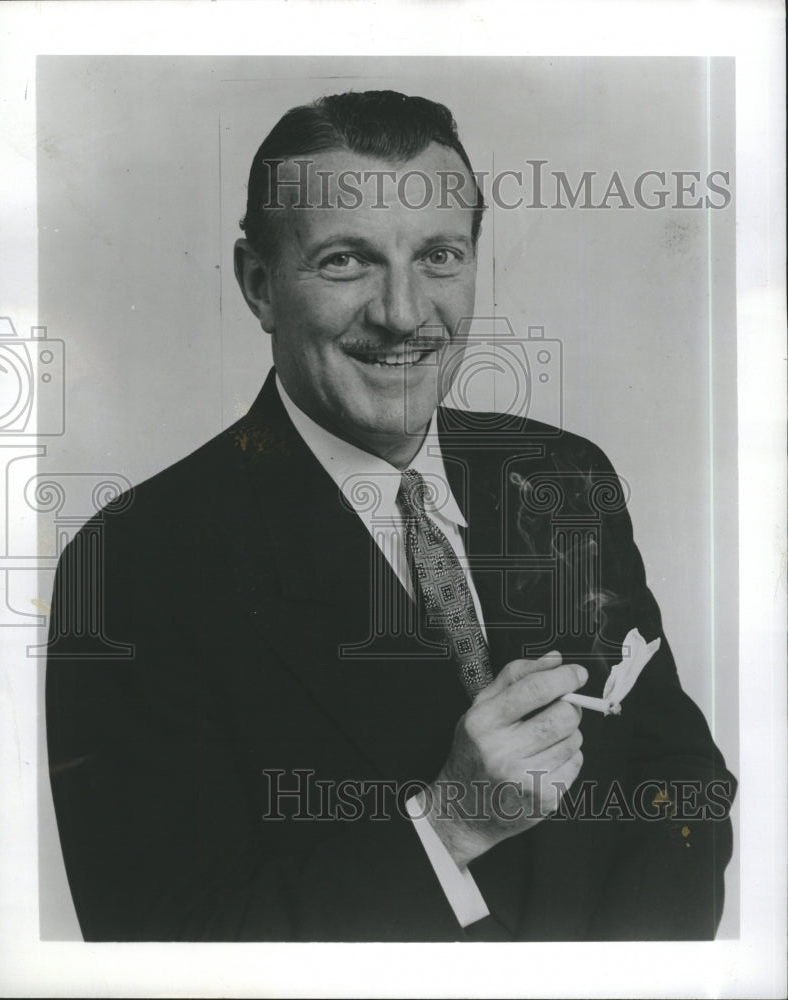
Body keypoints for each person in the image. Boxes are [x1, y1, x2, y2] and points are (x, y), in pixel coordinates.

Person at [46, 90, 735, 942]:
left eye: (439, 257)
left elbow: (681, 787)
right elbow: (157, 948)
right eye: (346, 262)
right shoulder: (134, 563)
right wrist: (450, 827)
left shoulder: (560, 475)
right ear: (259, 286)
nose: (404, 314)